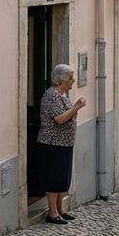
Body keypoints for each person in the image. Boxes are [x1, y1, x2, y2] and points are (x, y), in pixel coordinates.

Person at [38, 64, 86, 224]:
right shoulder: (51, 95)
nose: (73, 81)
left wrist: (74, 107)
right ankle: (52, 213)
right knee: (54, 178)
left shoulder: (63, 95)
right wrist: (77, 107)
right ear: (62, 80)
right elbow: (60, 119)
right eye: (71, 78)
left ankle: (60, 210)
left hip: (64, 143)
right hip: (53, 143)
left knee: (62, 178)